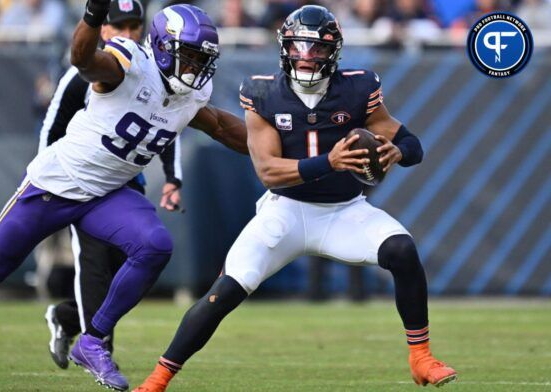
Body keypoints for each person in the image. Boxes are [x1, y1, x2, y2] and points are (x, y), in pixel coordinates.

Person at [0, 3, 247, 391]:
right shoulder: (130, 62)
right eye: (190, 57)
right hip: (57, 185)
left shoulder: (192, 93)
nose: (196, 69)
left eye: (203, 60)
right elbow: (83, 59)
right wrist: (93, 14)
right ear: (165, 49)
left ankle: (92, 339)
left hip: (106, 194)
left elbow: (219, 126)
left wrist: (279, 150)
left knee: (154, 245)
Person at [134, 5, 457, 391]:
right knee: (224, 293)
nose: (306, 57)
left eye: (316, 50)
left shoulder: (357, 87)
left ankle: (421, 357)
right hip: (283, 213)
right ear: (284, 48)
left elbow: (410, 141)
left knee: (403, 251)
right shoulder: (263, 92)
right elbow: (269, 170)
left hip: (343, 211)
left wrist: (398, 152)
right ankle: (156, 380)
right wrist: (330, 161)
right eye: (299, 48)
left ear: (333, 52)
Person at [39, 0, 183, 370]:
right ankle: (98, 349)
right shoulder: (86, 71)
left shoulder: (150, 68)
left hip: (126, 183)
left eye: (136, 27)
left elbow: (170, 125)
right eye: (120, 27)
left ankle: (68, 318)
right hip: (84, 181)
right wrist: (47, 182)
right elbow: (53, 127)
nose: (130, 35)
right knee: (96, 263)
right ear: (103, 31)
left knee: (131, 267)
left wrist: (172, 177)